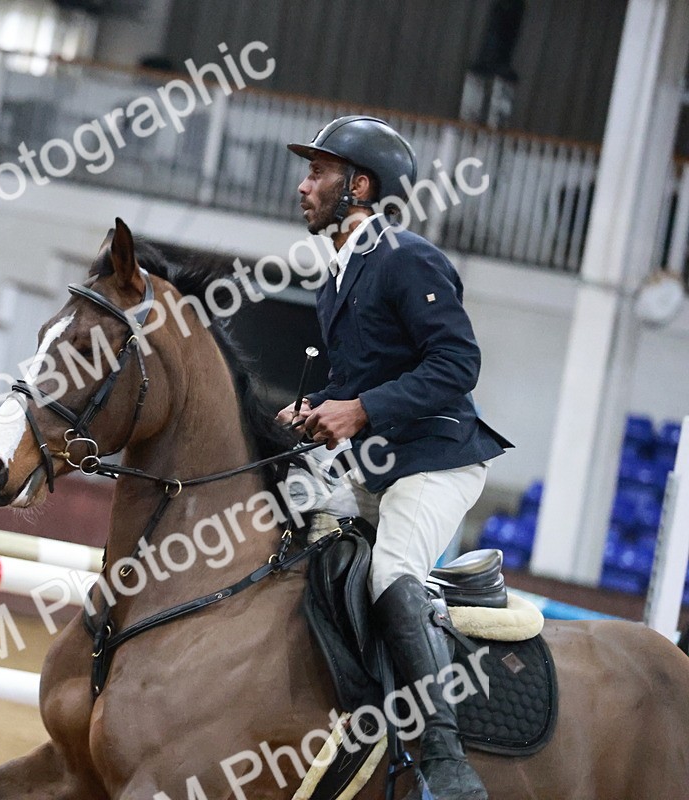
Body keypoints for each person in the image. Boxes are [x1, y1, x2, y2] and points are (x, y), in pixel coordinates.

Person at [277, 115, 512, 800]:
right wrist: (315, 406)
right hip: (377, 465)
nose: (303, 185)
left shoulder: (406, 258)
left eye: (317, 173)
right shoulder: (337, 276)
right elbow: (356, 384)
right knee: (297, 532)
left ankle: (445, 760)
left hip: (439, 460)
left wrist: (361, 412)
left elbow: (458, 363)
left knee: (391, 571)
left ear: (360, 185)